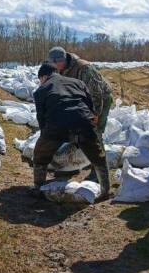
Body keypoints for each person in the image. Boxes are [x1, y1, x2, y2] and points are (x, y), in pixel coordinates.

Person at [32, 62, 111, 202]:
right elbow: (89, 104)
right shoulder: (78, 82)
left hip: (56, 122)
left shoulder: (41, 90)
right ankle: (105, 190)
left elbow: (41, 118)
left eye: (40, 80)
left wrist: (47, 139)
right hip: (84, 121)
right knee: (98, 156)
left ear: (43, 77)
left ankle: (38, 187)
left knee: (40, 155)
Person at [46, 46, 113, 135]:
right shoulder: (59, 69)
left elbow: (96, 93)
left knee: (94, 130)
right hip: (83, 97)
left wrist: (95, 114)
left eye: (56, 63)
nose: (54, 66)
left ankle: (97, 144)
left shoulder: (84, 69)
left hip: (101, 99)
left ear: (63, 60)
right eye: (52, 63)